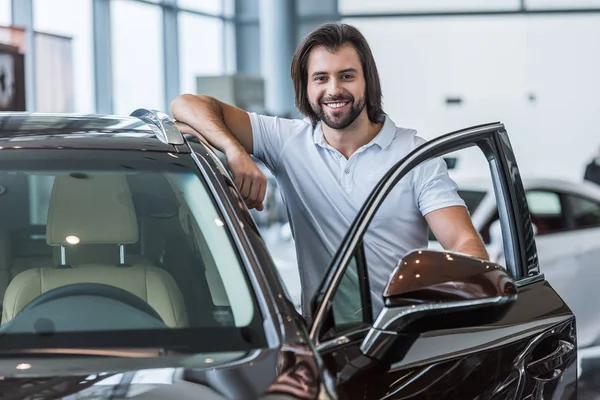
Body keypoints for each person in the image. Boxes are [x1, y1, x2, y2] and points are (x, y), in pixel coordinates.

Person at [171, 22, 488, 320]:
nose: (334, 89)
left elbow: (463, 242)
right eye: (320, 78)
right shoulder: (286, 142)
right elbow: (186, 105)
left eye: (347, 76)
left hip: (402, 339)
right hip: (327, 344)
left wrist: (460, 294)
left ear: (367, 81)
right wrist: (234, 151)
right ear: (306, 87)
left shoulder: (415, 156)